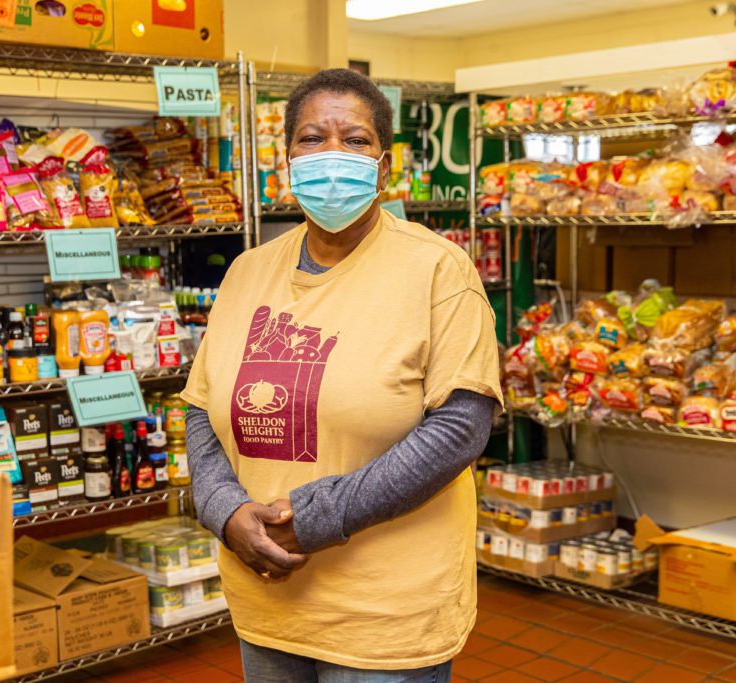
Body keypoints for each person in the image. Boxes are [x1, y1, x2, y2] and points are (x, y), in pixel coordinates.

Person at [182, 68, 503, 682]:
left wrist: (316, 518)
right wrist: (224, 511)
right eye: (311, 138)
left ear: (385, 170)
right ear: (287, 162)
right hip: (268, 598)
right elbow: (201, 408)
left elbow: (460, 428)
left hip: (386, 614)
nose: (332, 154)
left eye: (354, 141)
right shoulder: (247, 272)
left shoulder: (438, 270)